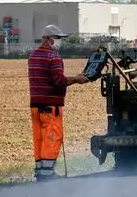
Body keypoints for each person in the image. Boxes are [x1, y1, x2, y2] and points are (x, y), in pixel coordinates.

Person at [28, 24, 90, 181]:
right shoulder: (53, 56)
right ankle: (49, 175)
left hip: (35, 105)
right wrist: (76, 79)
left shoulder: (33, 55)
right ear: (49, 39)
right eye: (58, 38)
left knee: (40, 138)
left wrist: (75, 76)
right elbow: (59, 81)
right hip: (50, 106)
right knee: (53, 137)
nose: (60, 41)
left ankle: (41, 172)